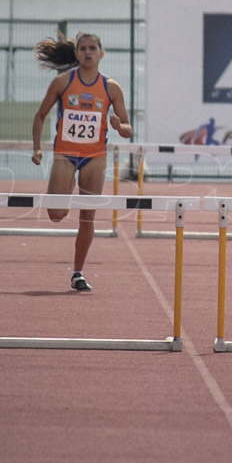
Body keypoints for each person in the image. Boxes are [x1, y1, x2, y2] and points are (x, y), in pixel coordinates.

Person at [31, 33, 132, 291]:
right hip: (65, 154)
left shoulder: (112, 88)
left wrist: (120, 126)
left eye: (93, 48)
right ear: (76, 54)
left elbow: (128, 129)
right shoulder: (62, 82)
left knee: (87, 216)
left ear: (101, 53)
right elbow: (40, 115)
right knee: (56, 214)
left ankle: (78, 272)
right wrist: (36, 149)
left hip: (94, 156)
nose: (88, 52)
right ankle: (63, 194)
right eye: (83, 49)